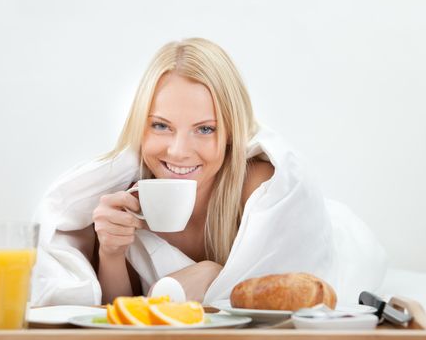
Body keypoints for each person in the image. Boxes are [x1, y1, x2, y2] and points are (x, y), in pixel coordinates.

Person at [31, 38, 387, 307]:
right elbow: (120, 313)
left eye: (205, 129)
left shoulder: (263, 188)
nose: (179, 151)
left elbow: (286, 291)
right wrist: (110, 252)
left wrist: (214, 276)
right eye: (160, 126)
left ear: (231, 133)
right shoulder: (129, 198)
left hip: (340, 240)